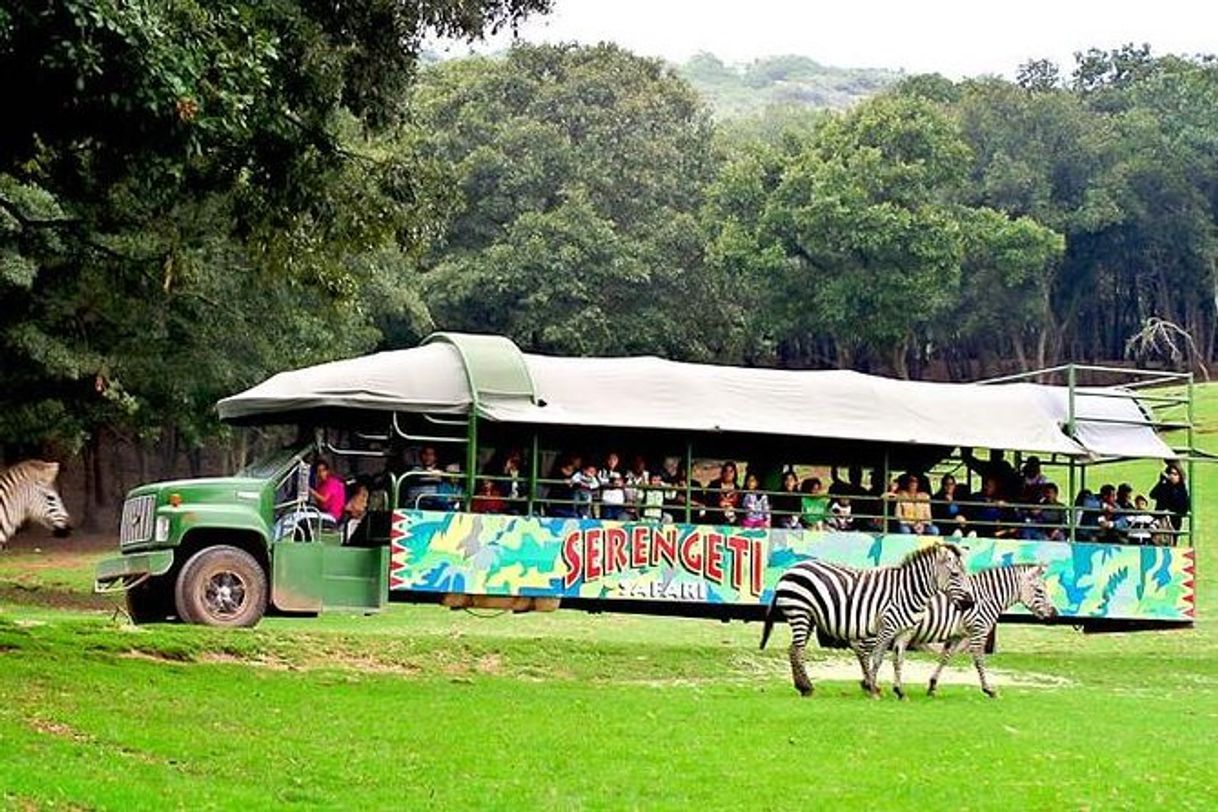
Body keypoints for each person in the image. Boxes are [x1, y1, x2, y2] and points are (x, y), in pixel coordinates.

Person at [1149, 463, 1190, 535]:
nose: (1172, 476)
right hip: (1159, 521)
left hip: (1173, 522)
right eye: (1171, 473)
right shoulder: (1164, 486)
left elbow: (1184, 507)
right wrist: (1161, 482)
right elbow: (1152, 495)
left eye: (1175, 474)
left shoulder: (1181, 489)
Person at [625, 455, 650, 519]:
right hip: (628, 506)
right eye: (637, 463)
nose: (639, 465)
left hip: (642, 507)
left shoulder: (647, 474)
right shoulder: (628, 474)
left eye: (641, 463)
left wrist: (644, 481)